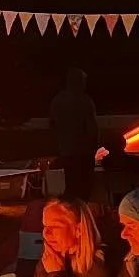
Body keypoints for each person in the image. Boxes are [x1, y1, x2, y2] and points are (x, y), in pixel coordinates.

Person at [49, 68, 100, 200]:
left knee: (71, 183)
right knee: (84, 185)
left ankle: (71, 209)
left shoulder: (58, 100)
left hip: (66, 150)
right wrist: (94, 146)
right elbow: (91, 127)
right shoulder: (85, 100)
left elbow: (52, 125)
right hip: (84, 151)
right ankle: (82, 208)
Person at [98, 133, 139, 204]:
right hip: (133, 193)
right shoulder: (133, 160)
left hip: (114, 191)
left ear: (106, 146)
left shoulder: (105, 162)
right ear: (124, 144)